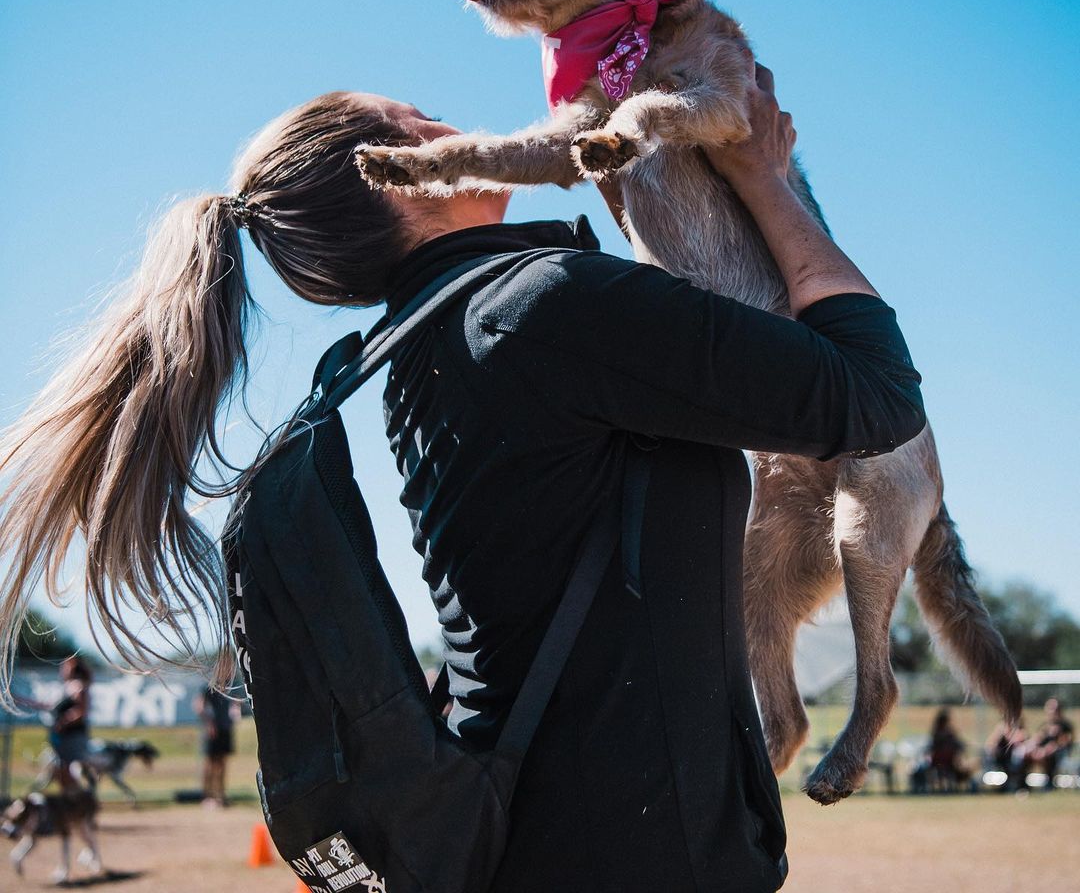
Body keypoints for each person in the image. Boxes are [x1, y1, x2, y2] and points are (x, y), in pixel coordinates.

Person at [0, 64, 926, 891]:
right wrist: (764, 177)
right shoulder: (544, 308)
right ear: (401, 174)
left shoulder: (439, 340)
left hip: (551, 842)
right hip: (636, 857)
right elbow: (877, 399)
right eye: (422, 118)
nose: (455, 126)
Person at [48, 656, 93, 793]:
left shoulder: (78, 686)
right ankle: (71, 804)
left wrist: (63, 722)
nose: (62, 670)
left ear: (72, 667)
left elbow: (81, 711)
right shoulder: (68, 687)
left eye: (65, 666)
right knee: (60, 772)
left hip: (72, 738)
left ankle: (81, 803)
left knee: (67, 772)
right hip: (64, 738)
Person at [194, 686, 238, 807]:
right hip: (212, 731)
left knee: (222, 763)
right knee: (210, 764)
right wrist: (209, 723)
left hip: (225, 729)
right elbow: (199, 706)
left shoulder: (231, 686)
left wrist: (235, 712)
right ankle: (207, 796)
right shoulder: (209, 686)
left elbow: (235, 704)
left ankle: (221, 795)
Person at [1030, 697, 1074, 789]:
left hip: (1060, 754)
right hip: (1044, 753)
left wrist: (1047, 750)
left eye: (1054, 709)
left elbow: (1064, 742)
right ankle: (1020, 782)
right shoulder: (1045, 726)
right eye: (1050, 708)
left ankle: (1049, 783)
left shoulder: (1065, 725)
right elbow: (1037, 739)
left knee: (1047, 756)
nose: (1052, 711)